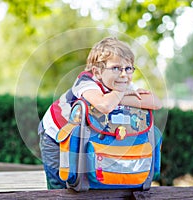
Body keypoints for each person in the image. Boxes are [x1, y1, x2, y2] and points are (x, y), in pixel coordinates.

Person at [38, 37, 162, 189]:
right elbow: (104, 105)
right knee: (62, 182)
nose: (124, 74)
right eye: (116, 68)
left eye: (128, 68)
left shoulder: (118, 85)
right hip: (56, 134)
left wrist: (118, 96)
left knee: (93, 176)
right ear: (97, 71)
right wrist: (123, 95)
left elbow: (155, 102)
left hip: (84, 133)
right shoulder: (85, 82)